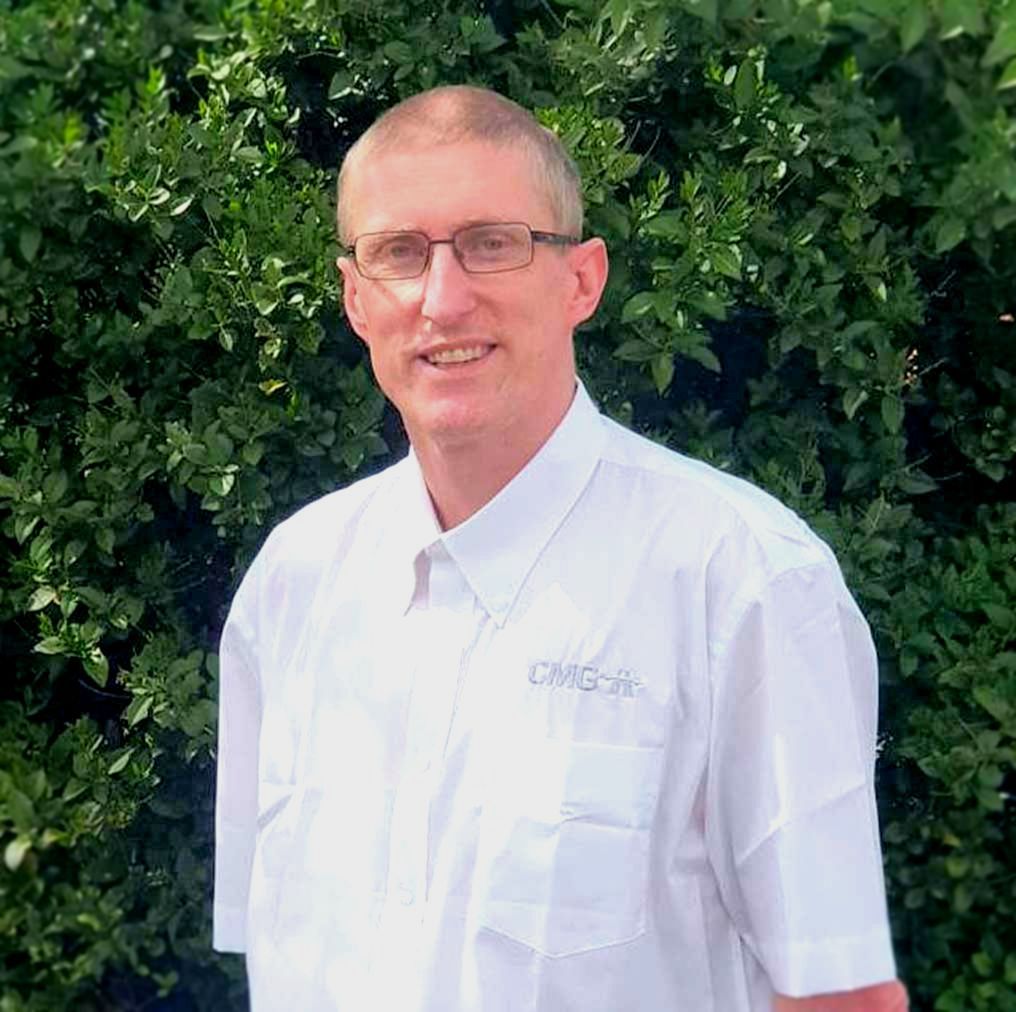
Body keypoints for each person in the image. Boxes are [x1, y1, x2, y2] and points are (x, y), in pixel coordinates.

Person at [213, 85, 908, 1012]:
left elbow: (836, 994)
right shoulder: (293, 584)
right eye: (399, 253)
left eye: (492, 244)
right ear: (354, 299)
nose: (442, 299)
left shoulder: (742, 581)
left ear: (582, 280)